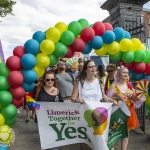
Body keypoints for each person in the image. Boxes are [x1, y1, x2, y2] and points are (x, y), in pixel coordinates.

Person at [71, 60, 117, 150]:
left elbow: (103, 96)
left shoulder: (99, 82)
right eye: (90, 67)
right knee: (84, 138)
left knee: (97, 136)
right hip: (84, 113)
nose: (93, 68)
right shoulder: (79, 82)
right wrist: (77, 100)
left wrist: (111, 100)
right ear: (85, 69)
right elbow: (72, 98)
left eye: (94, 66)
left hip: (97, 114)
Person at [106, 67, 141, 150]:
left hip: (127, 112)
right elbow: (108, 100)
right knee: (114, 130)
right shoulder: (114, 86)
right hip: (117, 112)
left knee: (125, 132)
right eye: (124, 72)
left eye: (127, 73)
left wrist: (140, 94)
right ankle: (111, 146)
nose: (126, 74)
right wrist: (116, 97)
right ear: (119, 74)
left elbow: (134, 99)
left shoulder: (129, 85)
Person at [33, 71, 63, 150]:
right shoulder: (38, 91)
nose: (50, 81)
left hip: (55, 122)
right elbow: (32, 105)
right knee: (46, 144)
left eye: (52, 79)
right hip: (41, 122)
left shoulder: (58, 91)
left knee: (54, 144)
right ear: (44, 80)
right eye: (47, 79)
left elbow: (62, 106)